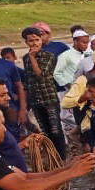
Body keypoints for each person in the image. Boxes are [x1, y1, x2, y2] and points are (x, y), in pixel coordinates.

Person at [20, 27, 67, 159]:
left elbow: (40, 74)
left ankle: (61, 159)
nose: (35, 43)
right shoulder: (25, 58)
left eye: (37, 40)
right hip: (36, 100)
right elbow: (28, 82)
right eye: (31, 41)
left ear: (41, 40)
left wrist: (32, 57)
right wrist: (24, 105)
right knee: (45, 132)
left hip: (49, 99)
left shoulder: (49, 56)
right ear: (26, 42)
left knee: (56, 130)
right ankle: (51, 158)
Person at [55, 29, 90, 97]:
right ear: (75, 41)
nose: (86, 45)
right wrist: (69, 85)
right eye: (84, 42)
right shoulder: (65, 55)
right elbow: (57, 73)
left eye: (87, 43)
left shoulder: (87, 55)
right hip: (71, 92)